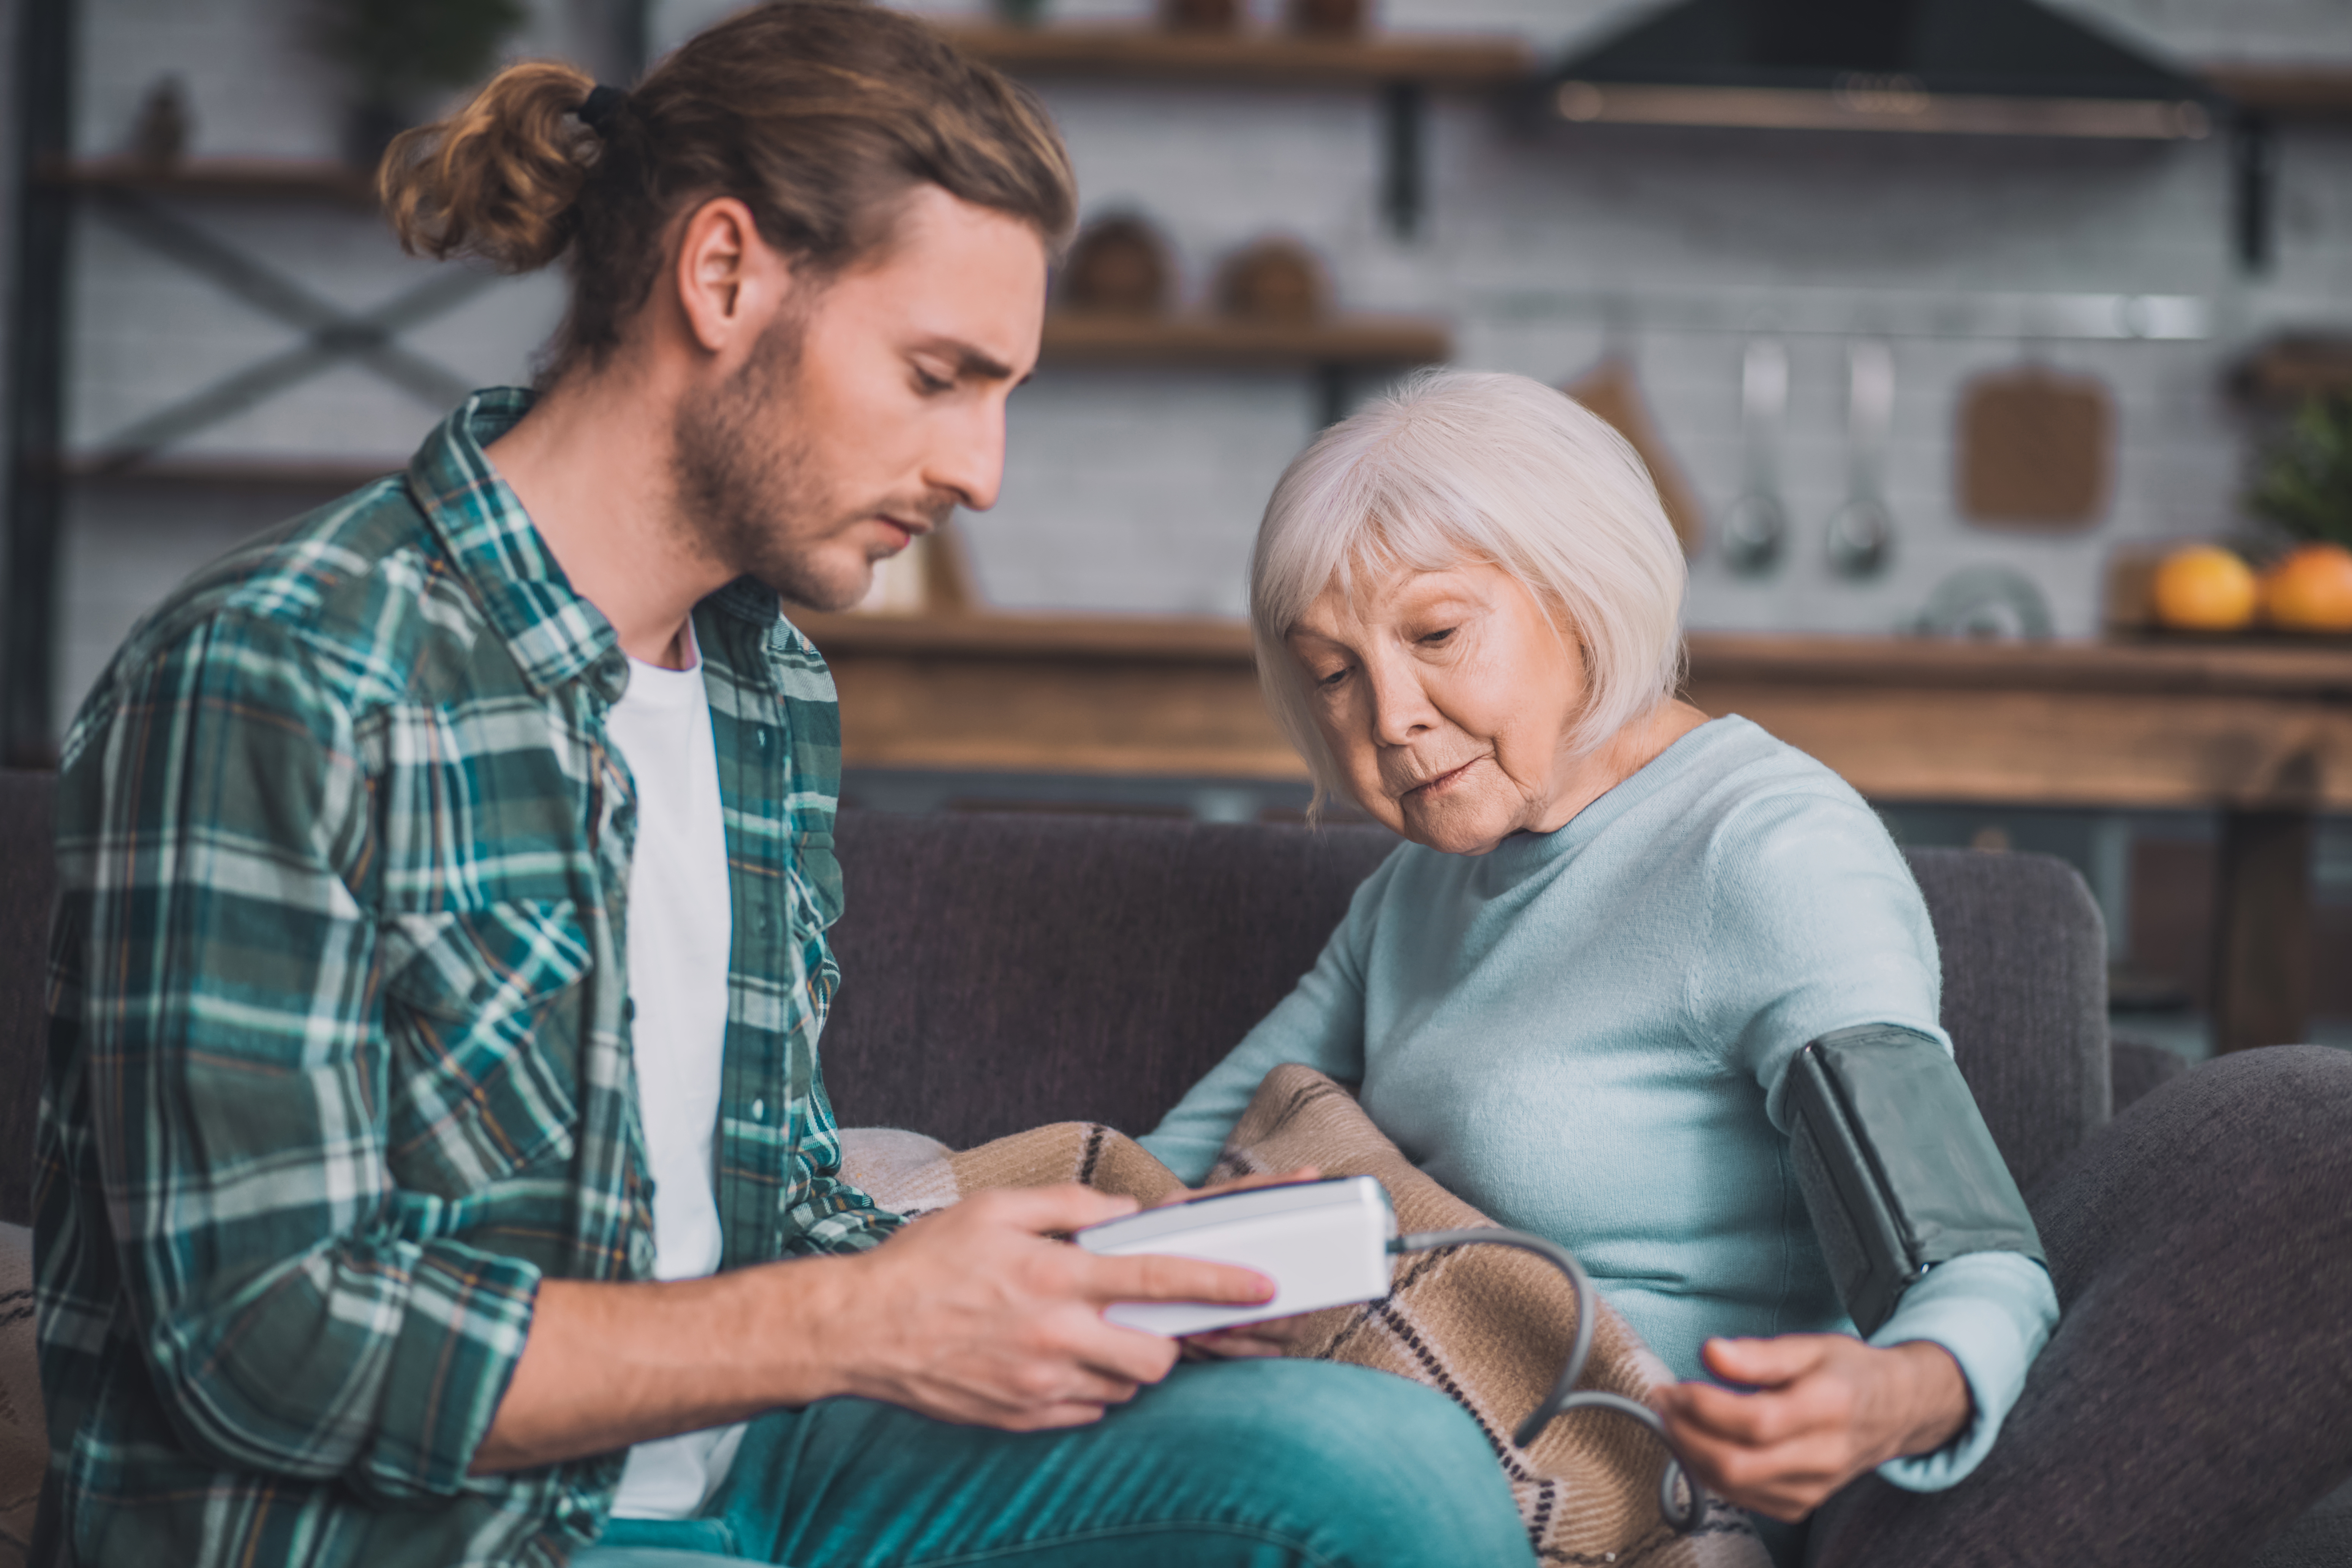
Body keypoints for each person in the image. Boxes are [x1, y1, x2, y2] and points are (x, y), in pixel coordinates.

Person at [29, 8, 1534, 1567]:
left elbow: (762, 1210)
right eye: (940, 377)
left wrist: (1045, 1291)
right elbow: (263, 1341)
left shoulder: (763, 686)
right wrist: (854, 1323)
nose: (983, 473)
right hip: (446, 1536)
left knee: (1389, 1472)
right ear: (726, 274)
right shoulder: (281, 671)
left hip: (763, 1471)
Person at [1138, 369, 2352, 1566]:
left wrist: (1894, 1394)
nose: (1389, 716)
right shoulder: (1418, 888)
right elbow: (1166, 1174)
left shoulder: (1770, 854)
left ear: (1578, 597)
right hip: (1393, 1440)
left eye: (1438, 633)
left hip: (1620, 1505)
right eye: (1334, 673)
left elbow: (1969, 1257)